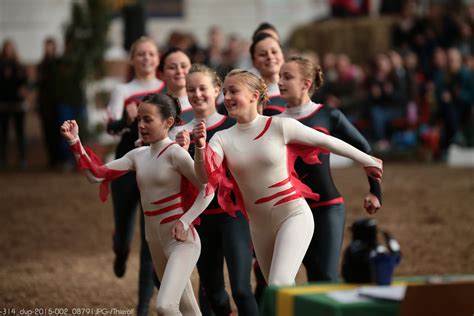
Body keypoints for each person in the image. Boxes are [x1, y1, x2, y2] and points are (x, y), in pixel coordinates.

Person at [173, 69, 383, 289]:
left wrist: (367, 160)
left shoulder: (279, 126)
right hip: (258, 225)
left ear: (254, 96)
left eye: (233, 91)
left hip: (292, 213)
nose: (226, 98)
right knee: (279, 292)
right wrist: (199, 149)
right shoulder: (221, 139)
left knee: (278, 284)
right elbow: (205, 179)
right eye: (224, 92)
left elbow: (327, 142)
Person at [60, 93, 212, 315]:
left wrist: (185, 220)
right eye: (139, 119)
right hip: (154, 240)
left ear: (168, 122)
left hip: (181, 241)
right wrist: (75, 142)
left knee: (164, 306)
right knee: (187, 308)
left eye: (147, 119)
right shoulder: (137, 155)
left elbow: (207, 188)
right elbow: (97, 175)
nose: (141, 124)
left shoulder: (176, 154)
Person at [277, 56, 382, 281]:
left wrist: (375, 191)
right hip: (292, 209)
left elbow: (363, 147)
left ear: (306, 83)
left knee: (326, 274)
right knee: (312, 272)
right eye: (280, 77)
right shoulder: (273, 120)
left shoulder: (328, 115)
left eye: (287, 77)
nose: (280, 82)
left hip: (327, 206)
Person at [171, 64, 258, 316]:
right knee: (214, 294)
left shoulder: (234, 125)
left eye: (202, 88)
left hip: (233, 217)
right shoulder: (179, 133)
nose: (197, 94)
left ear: (217, 90)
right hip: (200, 221)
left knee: (241, 290)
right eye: (190, 90)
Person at [106, 36, 165, 316]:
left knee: (148, 238)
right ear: (132, 59)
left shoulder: (166, 89)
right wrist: (126, 120)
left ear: (158, 57)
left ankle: (142, 305)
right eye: (140, 54)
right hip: (126, 166)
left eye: (150, 54)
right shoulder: (123, 89)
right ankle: (119, 250)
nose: (146, 59)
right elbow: (111, 128)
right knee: (125, 228)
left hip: (154, 167)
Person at [0, 39, 28, 169]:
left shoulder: (19, 66)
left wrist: (24, 90)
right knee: (3, 134)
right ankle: (3, 159)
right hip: (3, 104)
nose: (9, 51)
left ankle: (23, 159)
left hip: (18, 104)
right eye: (7, 48)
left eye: (11, 48)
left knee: (20, 132)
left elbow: (26, 83)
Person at [37, 37, 61, 169]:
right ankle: (51, 159)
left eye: (50, 46)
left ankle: (58, 158)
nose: (48, 49)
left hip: (56, 103)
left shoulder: (58, 63)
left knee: (57, 131)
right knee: (47, 132)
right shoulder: (42, 64)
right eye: (47, 46)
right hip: (45, 104)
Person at [249, 32, 286, 116]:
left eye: (274, 52)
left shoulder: (298, 90)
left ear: (282, 55)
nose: (270, 57)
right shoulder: (251, 96)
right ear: (254, 62)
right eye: (262, 54)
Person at [158, 48, 193, 124]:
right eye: (172, 67)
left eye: (184, 66)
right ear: (162, 74)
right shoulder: (156, 107)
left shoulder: (203, 105)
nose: (179, 71)